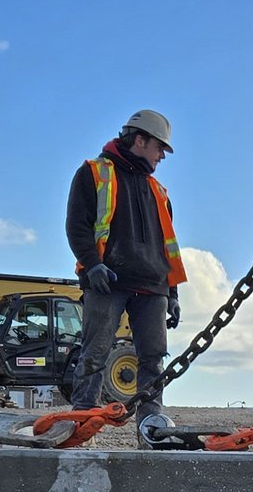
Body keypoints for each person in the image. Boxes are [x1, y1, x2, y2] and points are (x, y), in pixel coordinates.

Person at [65, 107, 185, 409]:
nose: (163, 156)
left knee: (153, 361)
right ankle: (83, 424)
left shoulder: (158, 191)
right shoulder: (94, 173)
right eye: (160, 147)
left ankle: (151, 428)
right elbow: (77, 226)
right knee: (95, 354)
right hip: (108, 282)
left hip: (153, 288)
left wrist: (172, 293)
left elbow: (166, 246)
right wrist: (92, 266)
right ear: (140, 140)